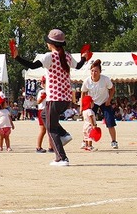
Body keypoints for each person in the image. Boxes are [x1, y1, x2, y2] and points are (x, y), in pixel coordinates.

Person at [12, 28, 90, 166]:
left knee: (51, 128)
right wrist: (84, 57)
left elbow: (32, 65)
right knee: (44, 117)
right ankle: (64, 135)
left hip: (54, 97)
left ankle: (62, 158)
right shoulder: (66, 55)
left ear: (50, 43)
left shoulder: (49, 56)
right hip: (65, 98)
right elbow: (78, 66)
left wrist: (17, 57)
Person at [81, 60, 118, 149]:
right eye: (92, 71)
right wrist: (82, 106)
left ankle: (114, 141)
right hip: (92, 103)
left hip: (104, 102)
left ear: (100, 72)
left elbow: (112, 89)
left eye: (96, 71)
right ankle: (85, 141)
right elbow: (83, 93)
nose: (94, 73)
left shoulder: (105, 79)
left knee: (110, 121)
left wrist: (109, 99)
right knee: (89, 123)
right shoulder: (87, 81)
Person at [35, 77, 54, 153]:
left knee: (50, 129)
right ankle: (38, 147)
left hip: (49, 110)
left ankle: (51, 146)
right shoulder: (42, 91)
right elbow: (38, 102)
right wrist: (43, 96)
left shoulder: (50, 91)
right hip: (42, 110)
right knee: (43, 130)